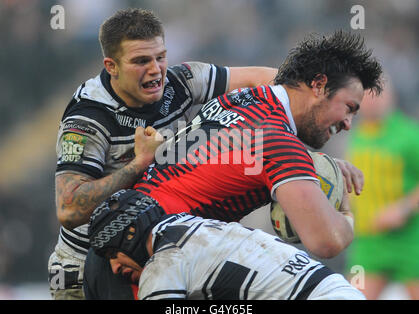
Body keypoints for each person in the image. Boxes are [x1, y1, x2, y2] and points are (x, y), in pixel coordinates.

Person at [83, 30, 383, 299]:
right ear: (318, 85)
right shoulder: (278, 141)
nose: (348, 123)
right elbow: (326, 241)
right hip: (150, 255)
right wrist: (345, 213)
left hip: (115, 246)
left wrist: (315, 162)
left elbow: (234, 153)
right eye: (349, 108)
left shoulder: (238, 98)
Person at [48, 8, 280, 300]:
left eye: (160, 57)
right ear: (112, 66)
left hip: (147, 257)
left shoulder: (180, 82)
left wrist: (313, 101)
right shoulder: (88, 119)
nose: (156, 70)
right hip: (86, 268)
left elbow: (262, 80)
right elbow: (69, 210)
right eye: (141, 61)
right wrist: (139, 163)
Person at [87, 189, 366, 300]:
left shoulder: (163, 266)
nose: (112, 267)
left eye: (113, 253)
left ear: (131, 232)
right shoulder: (196, 226)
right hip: (337, 289)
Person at [344, 81, 419, 299]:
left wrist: (403, 208)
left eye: (377, 95)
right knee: (351, 295)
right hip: (367, 244)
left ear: (390, 97)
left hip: (409, 241)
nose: (371, 102)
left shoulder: (409, 135)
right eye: (366, 96)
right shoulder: (355, 134)